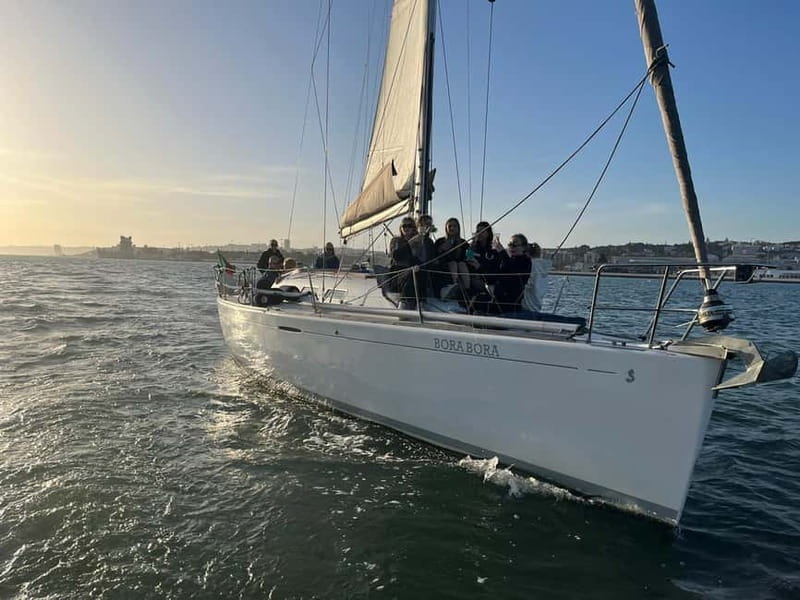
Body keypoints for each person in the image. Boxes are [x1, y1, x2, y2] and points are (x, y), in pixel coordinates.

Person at [492, 233, 532, 314]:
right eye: (510, 244)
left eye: (514, 245)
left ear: (523, 247)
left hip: (510, 302)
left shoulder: (525, 261)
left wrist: (502, 253)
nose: (511, 247)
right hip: (499, 299)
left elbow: (513, 272)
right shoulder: (509, 259)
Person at [388, 216, 420, 309]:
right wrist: (409, 243)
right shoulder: (396, 241)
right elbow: (395, 256)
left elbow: (419, 258)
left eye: (409, 226)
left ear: (414, 228)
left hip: (414, 271)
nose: (406, 228)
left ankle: (421, 301)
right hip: (397, 273)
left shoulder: (418, 242)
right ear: (400, 228)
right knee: (411, 277)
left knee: (419, 273)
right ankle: (404, 302)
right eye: (404, 226)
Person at [435, 217, 470, 299]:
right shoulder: (440, 241)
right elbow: (435, 256)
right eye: (450, 226)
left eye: (454, 226)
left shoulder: (463, 243)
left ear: (458, 228)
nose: (452, 228)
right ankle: (453, 286)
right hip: (445, 267)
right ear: (446, 228)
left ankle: (467, 289)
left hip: (460, 268)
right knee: (453, 264)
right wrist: (441, 249)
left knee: (461, 264)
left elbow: (469, 256)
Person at [407, 214, 437, 297]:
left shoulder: (430, 242)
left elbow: (432, 256)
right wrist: (422, 236)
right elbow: (412, 254)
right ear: (418, 226)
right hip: (415, 268)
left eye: (428, 224)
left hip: (427, 268)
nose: (426, 227)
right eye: (423, 224)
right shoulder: (414, 239)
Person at [466, 221, 501, 289]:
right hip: (473, 278)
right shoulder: (473, 248)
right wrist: (472, 244)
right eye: (478, 231)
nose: (479, 234)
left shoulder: (493, 251)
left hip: (488, 279)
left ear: (488, 234)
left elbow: (494, 268)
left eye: (482, 231)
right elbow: (468, 259)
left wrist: (479, 267)